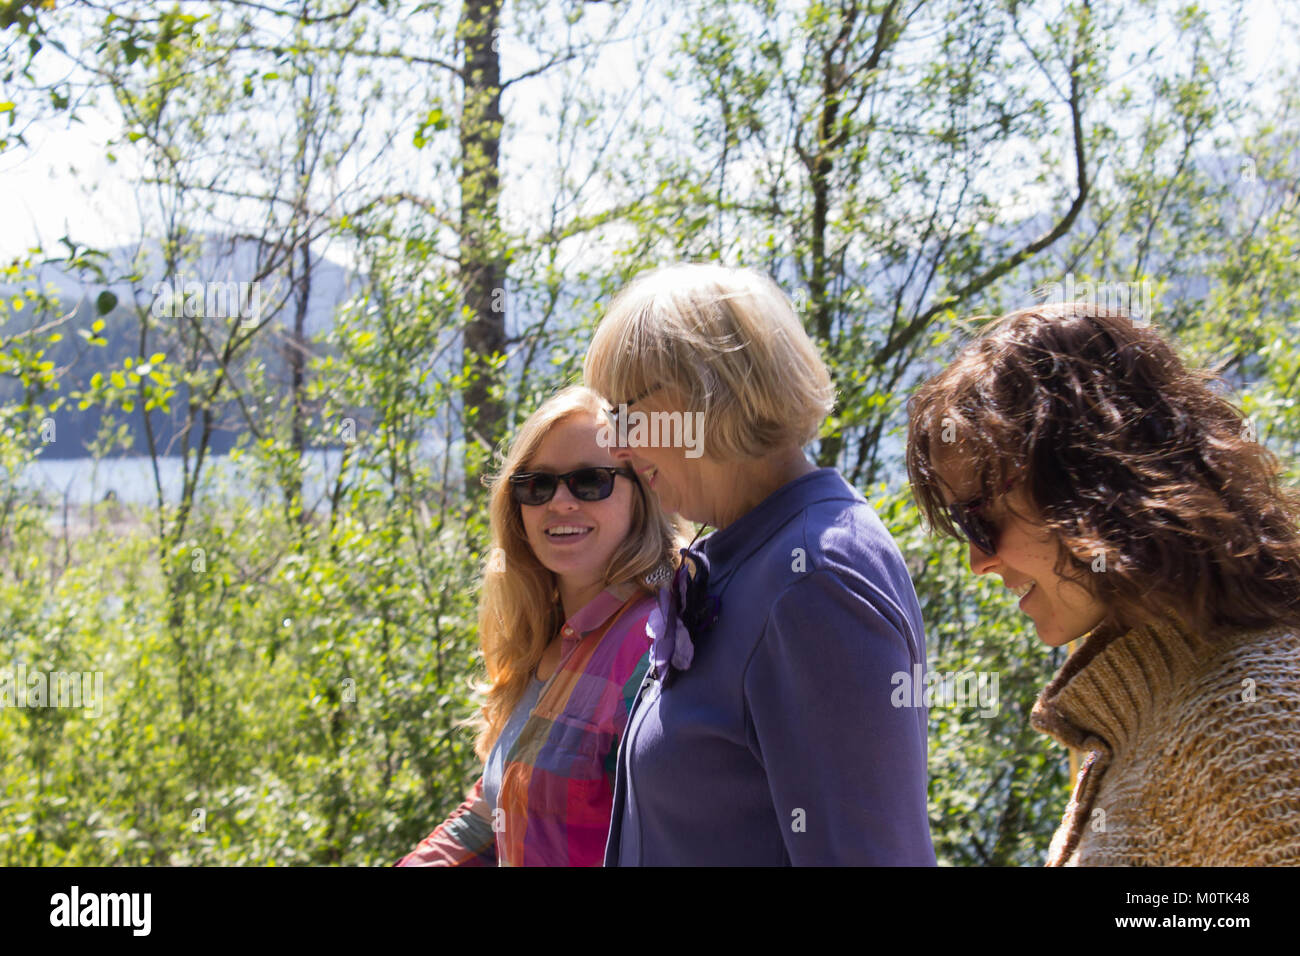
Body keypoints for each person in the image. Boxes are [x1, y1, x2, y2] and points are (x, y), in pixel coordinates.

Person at [905, 301, 1300, 866]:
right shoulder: (1157, 706)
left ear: (1086, 480)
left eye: (979, 520)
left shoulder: (1252, 721)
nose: (976, 561)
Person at [584, 262, 935, 866]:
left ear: (705, 394)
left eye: (625, 414)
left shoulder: (818, 582)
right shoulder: (751, 553)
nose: (614, 445)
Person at [395, 385, 683, 866]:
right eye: (538, 485)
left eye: (591, 481)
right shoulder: (543, 641)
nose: (561, 502)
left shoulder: (654, 643)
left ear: (643, 495)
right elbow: (495, 811)